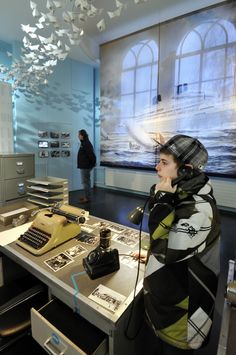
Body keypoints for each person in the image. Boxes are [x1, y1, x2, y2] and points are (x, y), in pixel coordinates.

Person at [133, 134, 221, 354]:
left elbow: (165, 251)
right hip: (164, 300)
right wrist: (151, 255)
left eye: (164, 163)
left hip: (181, 317)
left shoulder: (200, 212)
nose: (156, 167)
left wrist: (162, 202)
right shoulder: (180, 194)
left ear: (186, 170)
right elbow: (166, 245)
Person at [77, 129, 96, 203]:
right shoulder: (84, 143)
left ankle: (87, 198)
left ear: (82, 135)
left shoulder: (86, 143)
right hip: (84, 166)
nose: (78, 136)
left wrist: (92, 164)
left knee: (85, 183)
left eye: (79, 135)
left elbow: (92, 155)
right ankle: (86, 196)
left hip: (85, 167)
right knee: (86, 182)